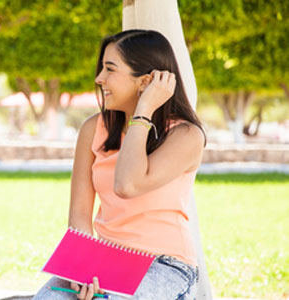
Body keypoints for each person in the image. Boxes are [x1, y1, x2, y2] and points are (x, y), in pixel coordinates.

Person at [34, 29, 205, 300]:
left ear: (146, 81)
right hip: (103, 259)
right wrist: (80, 268)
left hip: (163, 265)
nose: (98, 78)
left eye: (110, 69)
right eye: (101, 68)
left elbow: (127, 184)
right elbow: (79, 214)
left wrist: (144, 110)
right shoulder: (92, 129)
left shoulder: (186, 136)